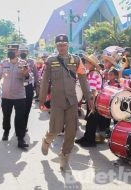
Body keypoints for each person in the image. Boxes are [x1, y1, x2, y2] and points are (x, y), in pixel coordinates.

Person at [39, 34, 92, 170]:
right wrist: (42, 99)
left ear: (68, 45)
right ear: (56, 46)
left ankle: (64, 156)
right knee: (55, 129)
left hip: (72, 101)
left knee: (72, 130)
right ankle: (47, 140)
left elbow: (83, 80)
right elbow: (45, 82)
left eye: (64, 44)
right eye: (59, 45)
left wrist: (89, 98)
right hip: (57, 101)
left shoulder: (76, 60)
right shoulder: (51, 61)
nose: (61, 47)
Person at [0, 44, 30, 149]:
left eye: (13, 50)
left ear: (17, 52)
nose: (11, 51)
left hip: (20, 96)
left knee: (19, 118)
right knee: (6, 116)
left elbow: (28, 80)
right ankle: (6, 131)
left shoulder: (24, 63)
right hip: (6, 96)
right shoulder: (3, 63)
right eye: (9, 49)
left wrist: (26, 74)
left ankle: (20, 138)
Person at [74, 54, 104, 147]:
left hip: (94, 100)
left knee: (92, 122)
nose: (85, 63)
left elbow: (93, 90)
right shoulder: (91, 73)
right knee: (90, 121)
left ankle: (90, 141)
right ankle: (86, 138)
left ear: (91, 64)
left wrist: (92, 104)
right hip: (93, 100)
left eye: (87, 62)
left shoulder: (93, 74)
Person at [18, 44, 38, 131]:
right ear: (19, 52)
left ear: (27, 52)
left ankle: (24, 125)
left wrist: (36, 85)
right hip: (18, 88)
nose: (23, 52)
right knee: (19, 108)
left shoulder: (31, 62)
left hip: (29, 87)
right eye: (21, 51)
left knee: (27, 107)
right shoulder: (15, 61)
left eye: (24, 51)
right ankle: (19, 124)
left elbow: (36, 74)